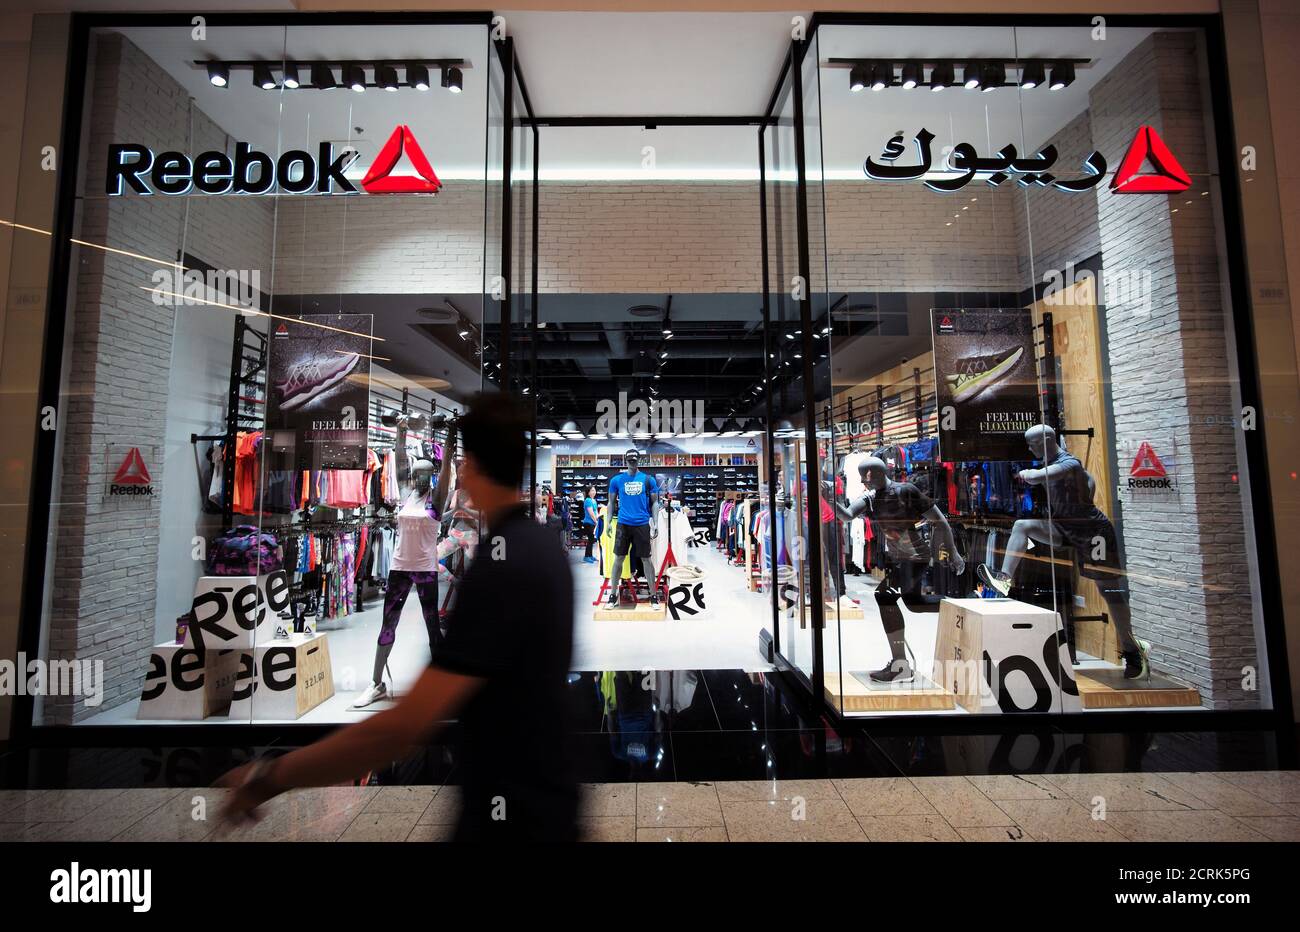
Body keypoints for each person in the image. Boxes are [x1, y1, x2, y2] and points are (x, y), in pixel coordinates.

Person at [218, 393, 578, 841]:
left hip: (510, 814)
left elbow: (403, 726)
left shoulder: (499, 569)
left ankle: (379, 681)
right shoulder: (544, 549)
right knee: (409, 629)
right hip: (545, 797)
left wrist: (270, 777)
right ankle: (376, 678)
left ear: (469, 468)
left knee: (429, 628)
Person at [582, 485, 599, 564]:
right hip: (588, 523)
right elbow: (591, 513)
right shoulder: (588, 500)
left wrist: (598, 519)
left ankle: (590, 556)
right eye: (592, 490)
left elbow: (595, 512)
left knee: (592, 540)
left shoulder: (594, 500)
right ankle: (586, 557)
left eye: (594, 490)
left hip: (593, 522)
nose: (594, 492)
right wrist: (596, 522)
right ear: (588, 492)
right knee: (590, 540)